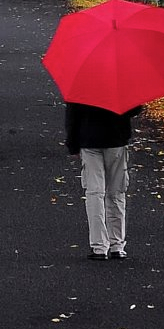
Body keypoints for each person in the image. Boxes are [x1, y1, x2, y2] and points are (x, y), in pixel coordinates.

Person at [65, 101, 141, 260]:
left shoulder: (80, 81)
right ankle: (117, 245)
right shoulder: (122, 79)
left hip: (89, 139)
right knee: (116, 193)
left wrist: (73, 145)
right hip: (116, 139)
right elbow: (135, 108)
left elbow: (72, 115)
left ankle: (99, 246)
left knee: (94, 193)